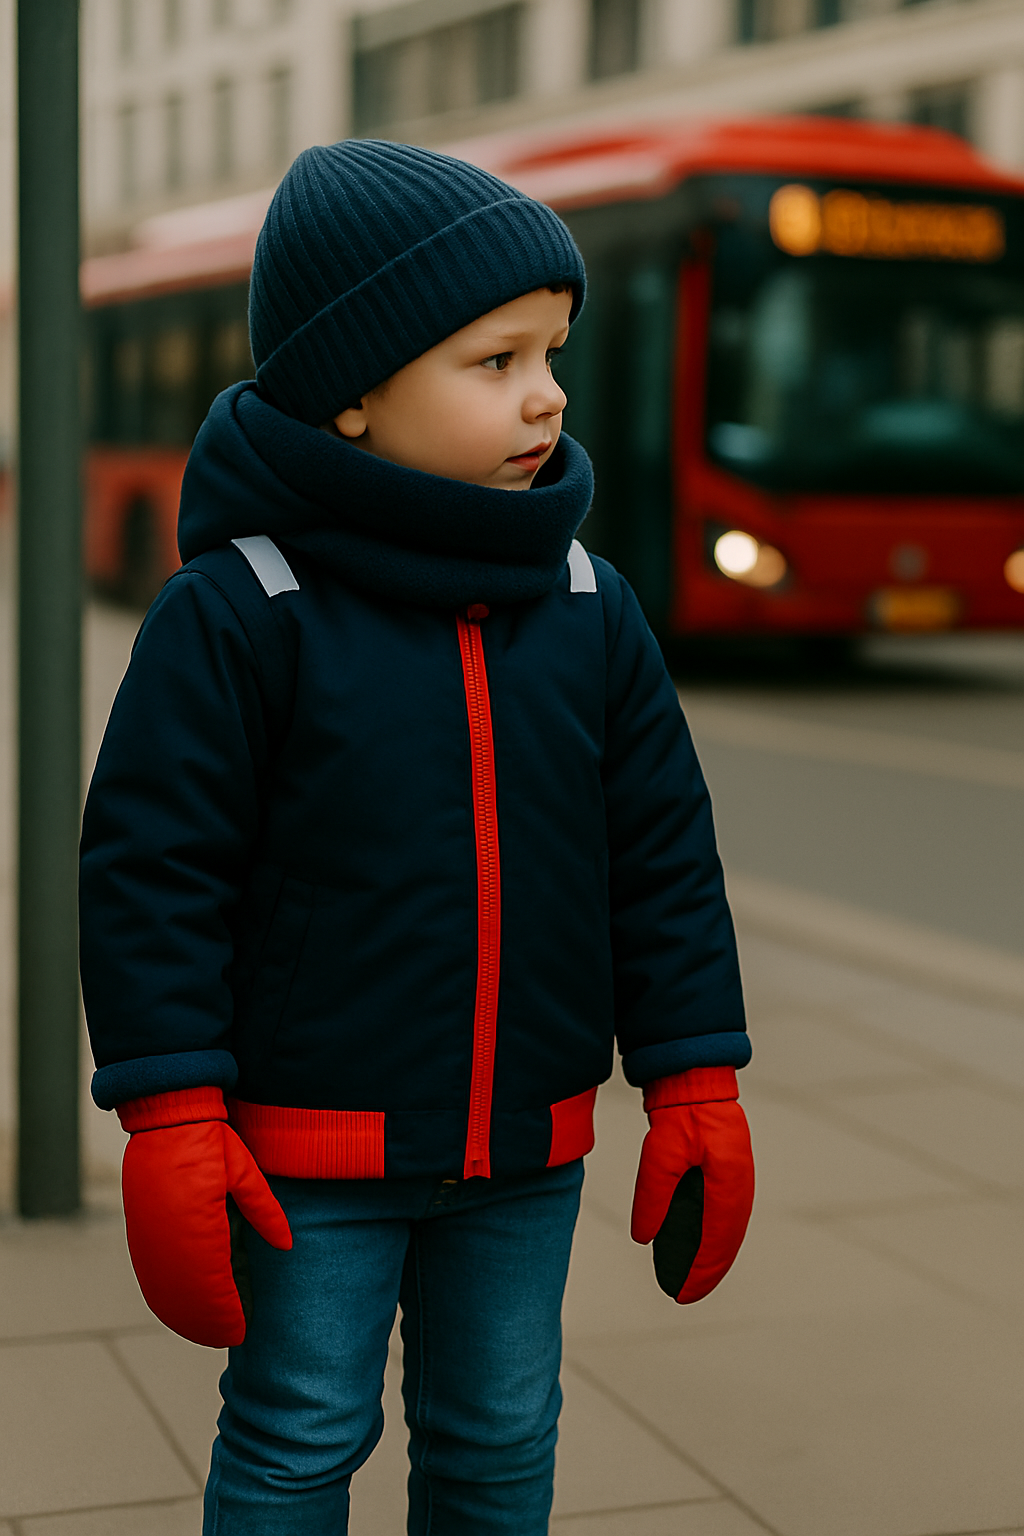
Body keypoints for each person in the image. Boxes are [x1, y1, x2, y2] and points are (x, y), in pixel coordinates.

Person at [79, 139, 755, 1536]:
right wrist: (171, 1112)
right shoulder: (241, 610)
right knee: (297, 1435)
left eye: (551, 353)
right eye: (496, 360)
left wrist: (694, 1077)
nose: (549, 392)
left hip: (524, 1149)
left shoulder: (584, 599)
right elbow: (154, 874)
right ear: (354, 399)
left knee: (503, 1438)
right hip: (309, 1152)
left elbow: (663, 858)